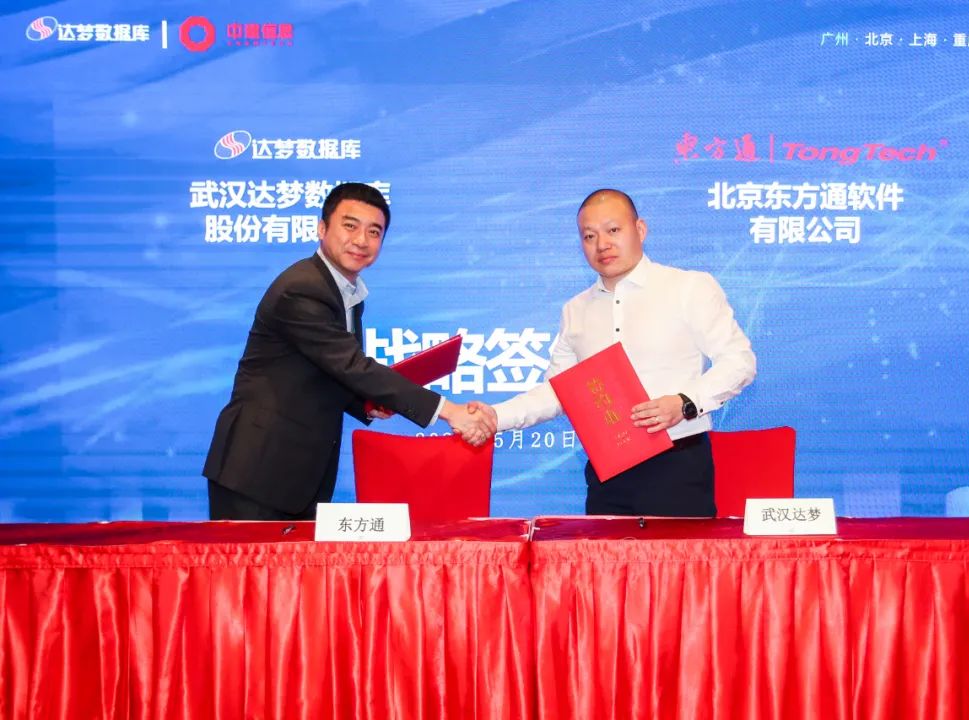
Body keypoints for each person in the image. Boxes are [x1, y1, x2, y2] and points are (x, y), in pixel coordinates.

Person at [203, 182, 495, 520]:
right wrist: (449, 411)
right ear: (322, 228)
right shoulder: (302, 289)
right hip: (256, 471)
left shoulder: (346, 293)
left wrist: (367, 404)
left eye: (374, 232)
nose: (361, 240)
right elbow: (352, 366)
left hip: (298, 476)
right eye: (350, 226)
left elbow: (324, 370)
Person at [483, 189, 756, 517]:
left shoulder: (688, 287)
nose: (602, 244)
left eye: (613, 230)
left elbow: (739, 361)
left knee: (676, 554)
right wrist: (494, 417)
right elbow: (558, 392)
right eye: (589, 236)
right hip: (607, 474)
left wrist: (684, 403)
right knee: (604, 553)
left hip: (677, 466)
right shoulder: (576, 310)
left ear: (640, 230)